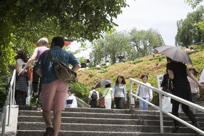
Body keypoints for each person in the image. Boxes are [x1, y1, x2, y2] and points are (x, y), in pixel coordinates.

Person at [36, 37, 80, 136]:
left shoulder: (45, 53)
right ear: (62, 44)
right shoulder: (67, 54)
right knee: (58, 112)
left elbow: (38, 70)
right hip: (63, 83)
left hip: (48, 82)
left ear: (53, 43)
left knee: (46, 109)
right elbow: (77, 65)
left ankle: (49, 126)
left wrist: (44, 75)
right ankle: (55, 135)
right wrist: (69, 74)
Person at [166, 57, 201, 132]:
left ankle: (176, 126)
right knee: (186, 108)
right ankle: (195, 123)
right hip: (186, 89)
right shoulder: (183, 65)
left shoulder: (169, 65)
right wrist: (199, 84)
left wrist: (168, 74)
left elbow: (172, 77)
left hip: (177, 89)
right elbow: (191, 75)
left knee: (175, 109)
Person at [22, 37, 49, 104]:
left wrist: (24, 68)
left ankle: (35, 93)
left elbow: (32, 58)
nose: (37, 44)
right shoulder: (49, 50)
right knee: (42, 84)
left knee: (35, 81)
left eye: (38, 43)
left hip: (38, 67)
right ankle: (40, 102)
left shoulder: (38, 48)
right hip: (47, 69)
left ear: (41, 43)